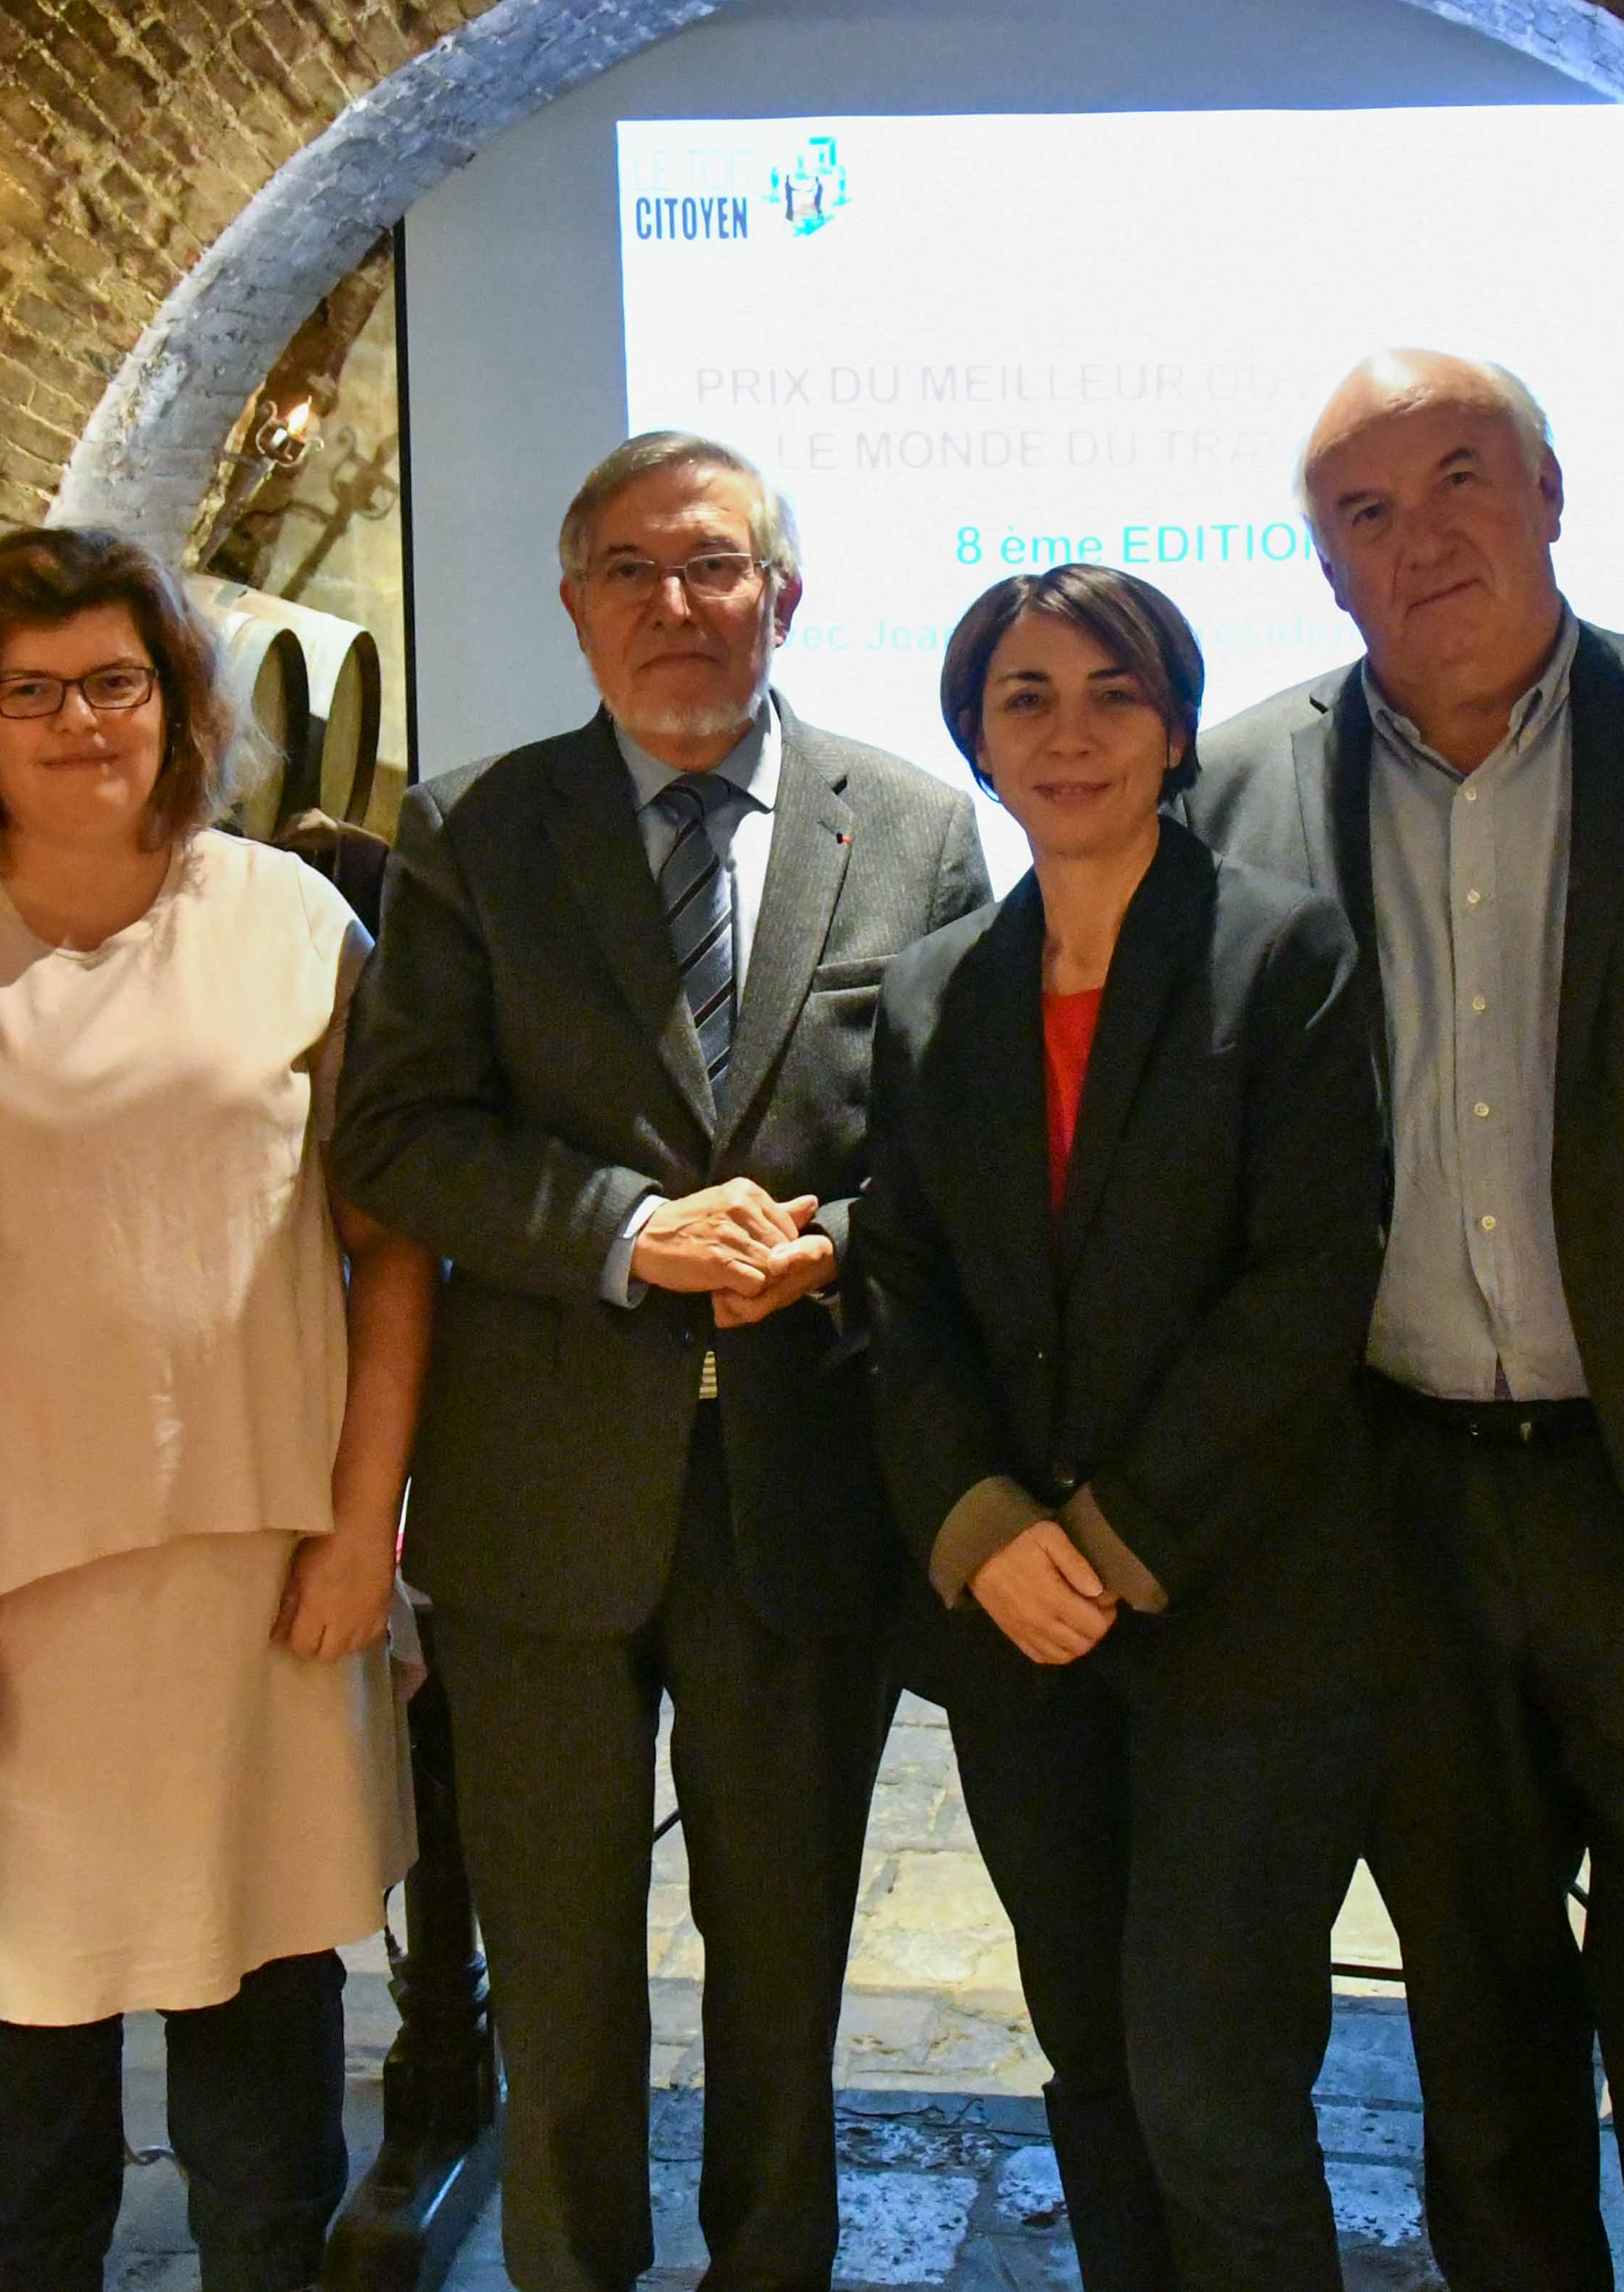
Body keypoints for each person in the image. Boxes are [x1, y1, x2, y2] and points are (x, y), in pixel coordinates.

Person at [1188, 350, 1624, 2292]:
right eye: (1366, 511)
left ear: (1554, 492)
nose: (1423, 539)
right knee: (1474, 2016)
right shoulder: (1242, 781)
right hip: (1400, 1510)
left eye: (1460, 478)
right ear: (1324, 563)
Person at [332, 432, 989, 2292]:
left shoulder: (920, 828)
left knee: (784, 1964)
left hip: (802, 1496)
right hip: (537, 1500)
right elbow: (399, 1133)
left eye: (714, 566)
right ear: (573, 607)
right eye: (631, 569)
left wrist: (831, 1245)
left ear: (786, 594)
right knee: (557, 1967)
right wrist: (628, 1229)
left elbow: (961, 1153)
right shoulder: (473, 826)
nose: (675, 605)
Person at [0, 528, 430, 2292]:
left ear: (177, 702)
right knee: (21, 2053)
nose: (82, 723)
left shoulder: (292, 923)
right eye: (34, 692)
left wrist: (366, 1532)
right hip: (2, 1589)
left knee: (266, 2035)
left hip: (263, 1578)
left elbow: (392, 1261)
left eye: (117, 683)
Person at [865, 566, 1385, 2292]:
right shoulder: (940, 988)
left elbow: (1308, 1286)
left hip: (1240, 1611)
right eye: (1026, 696)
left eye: (1112, 691)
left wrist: (1104, 1537)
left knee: (1213, 2082)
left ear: (1172, 725)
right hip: (1020, 1628)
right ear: (976, 734)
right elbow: (906, 1292)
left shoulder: (1284, 951)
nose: (1069, 730)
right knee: (1091, 2065)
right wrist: (980, 1527)